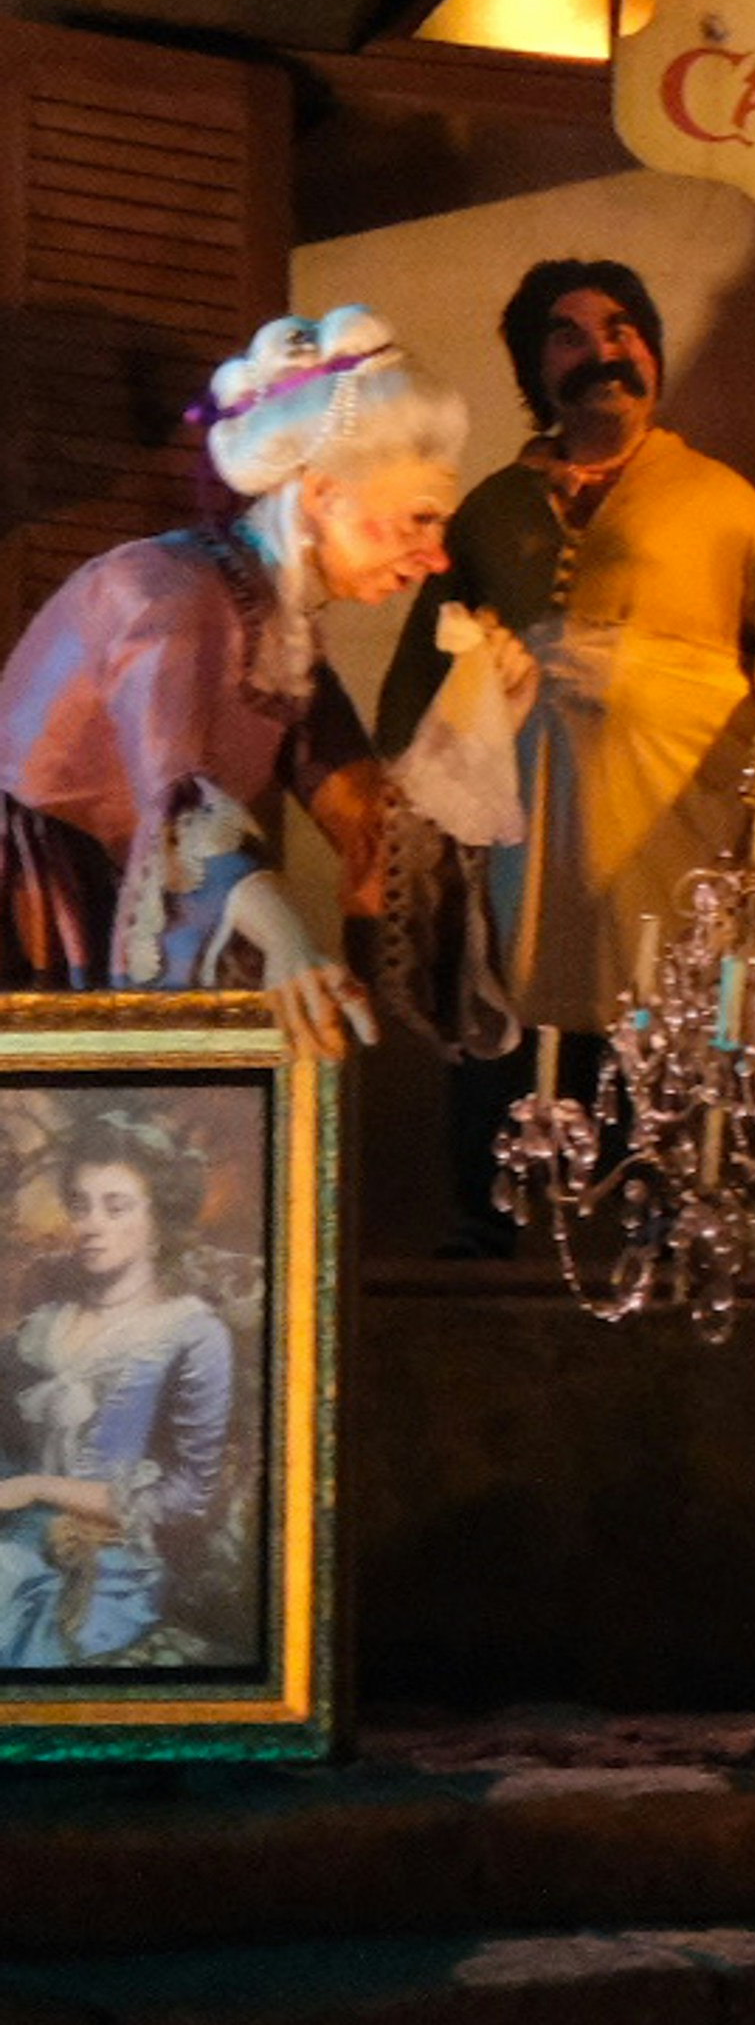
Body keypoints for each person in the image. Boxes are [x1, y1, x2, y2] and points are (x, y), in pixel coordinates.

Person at [379, 258, 755, 1252]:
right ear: (533, 367)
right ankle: (493, 1226)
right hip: (527, 811)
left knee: (668, 994)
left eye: (622, 329)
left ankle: (670, 1215)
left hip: (678, 806)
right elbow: (427, 661)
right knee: (508, 988)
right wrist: (402, 791)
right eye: (570, 334)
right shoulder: (491, 509)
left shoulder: (723, 498)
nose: (604, 352)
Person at [0, 308, 466, 1055]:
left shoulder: (281, 627)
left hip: (118, 888)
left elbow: (368, 820)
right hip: (33, 904)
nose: (436, 556)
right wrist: (285, 938)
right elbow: (180, 801)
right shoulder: (169, 594)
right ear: (322, 494)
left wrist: (485, 721)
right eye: (419, 518)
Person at [0, 1112, 242, 1667]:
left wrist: (38, 1487)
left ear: (158, 1219)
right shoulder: (45, 1324)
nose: (90, 1225)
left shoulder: (190, 1333)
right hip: (14, 1536)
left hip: (107, 1561)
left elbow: (190, 1495)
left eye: (116, 1207)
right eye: (80, 1205)